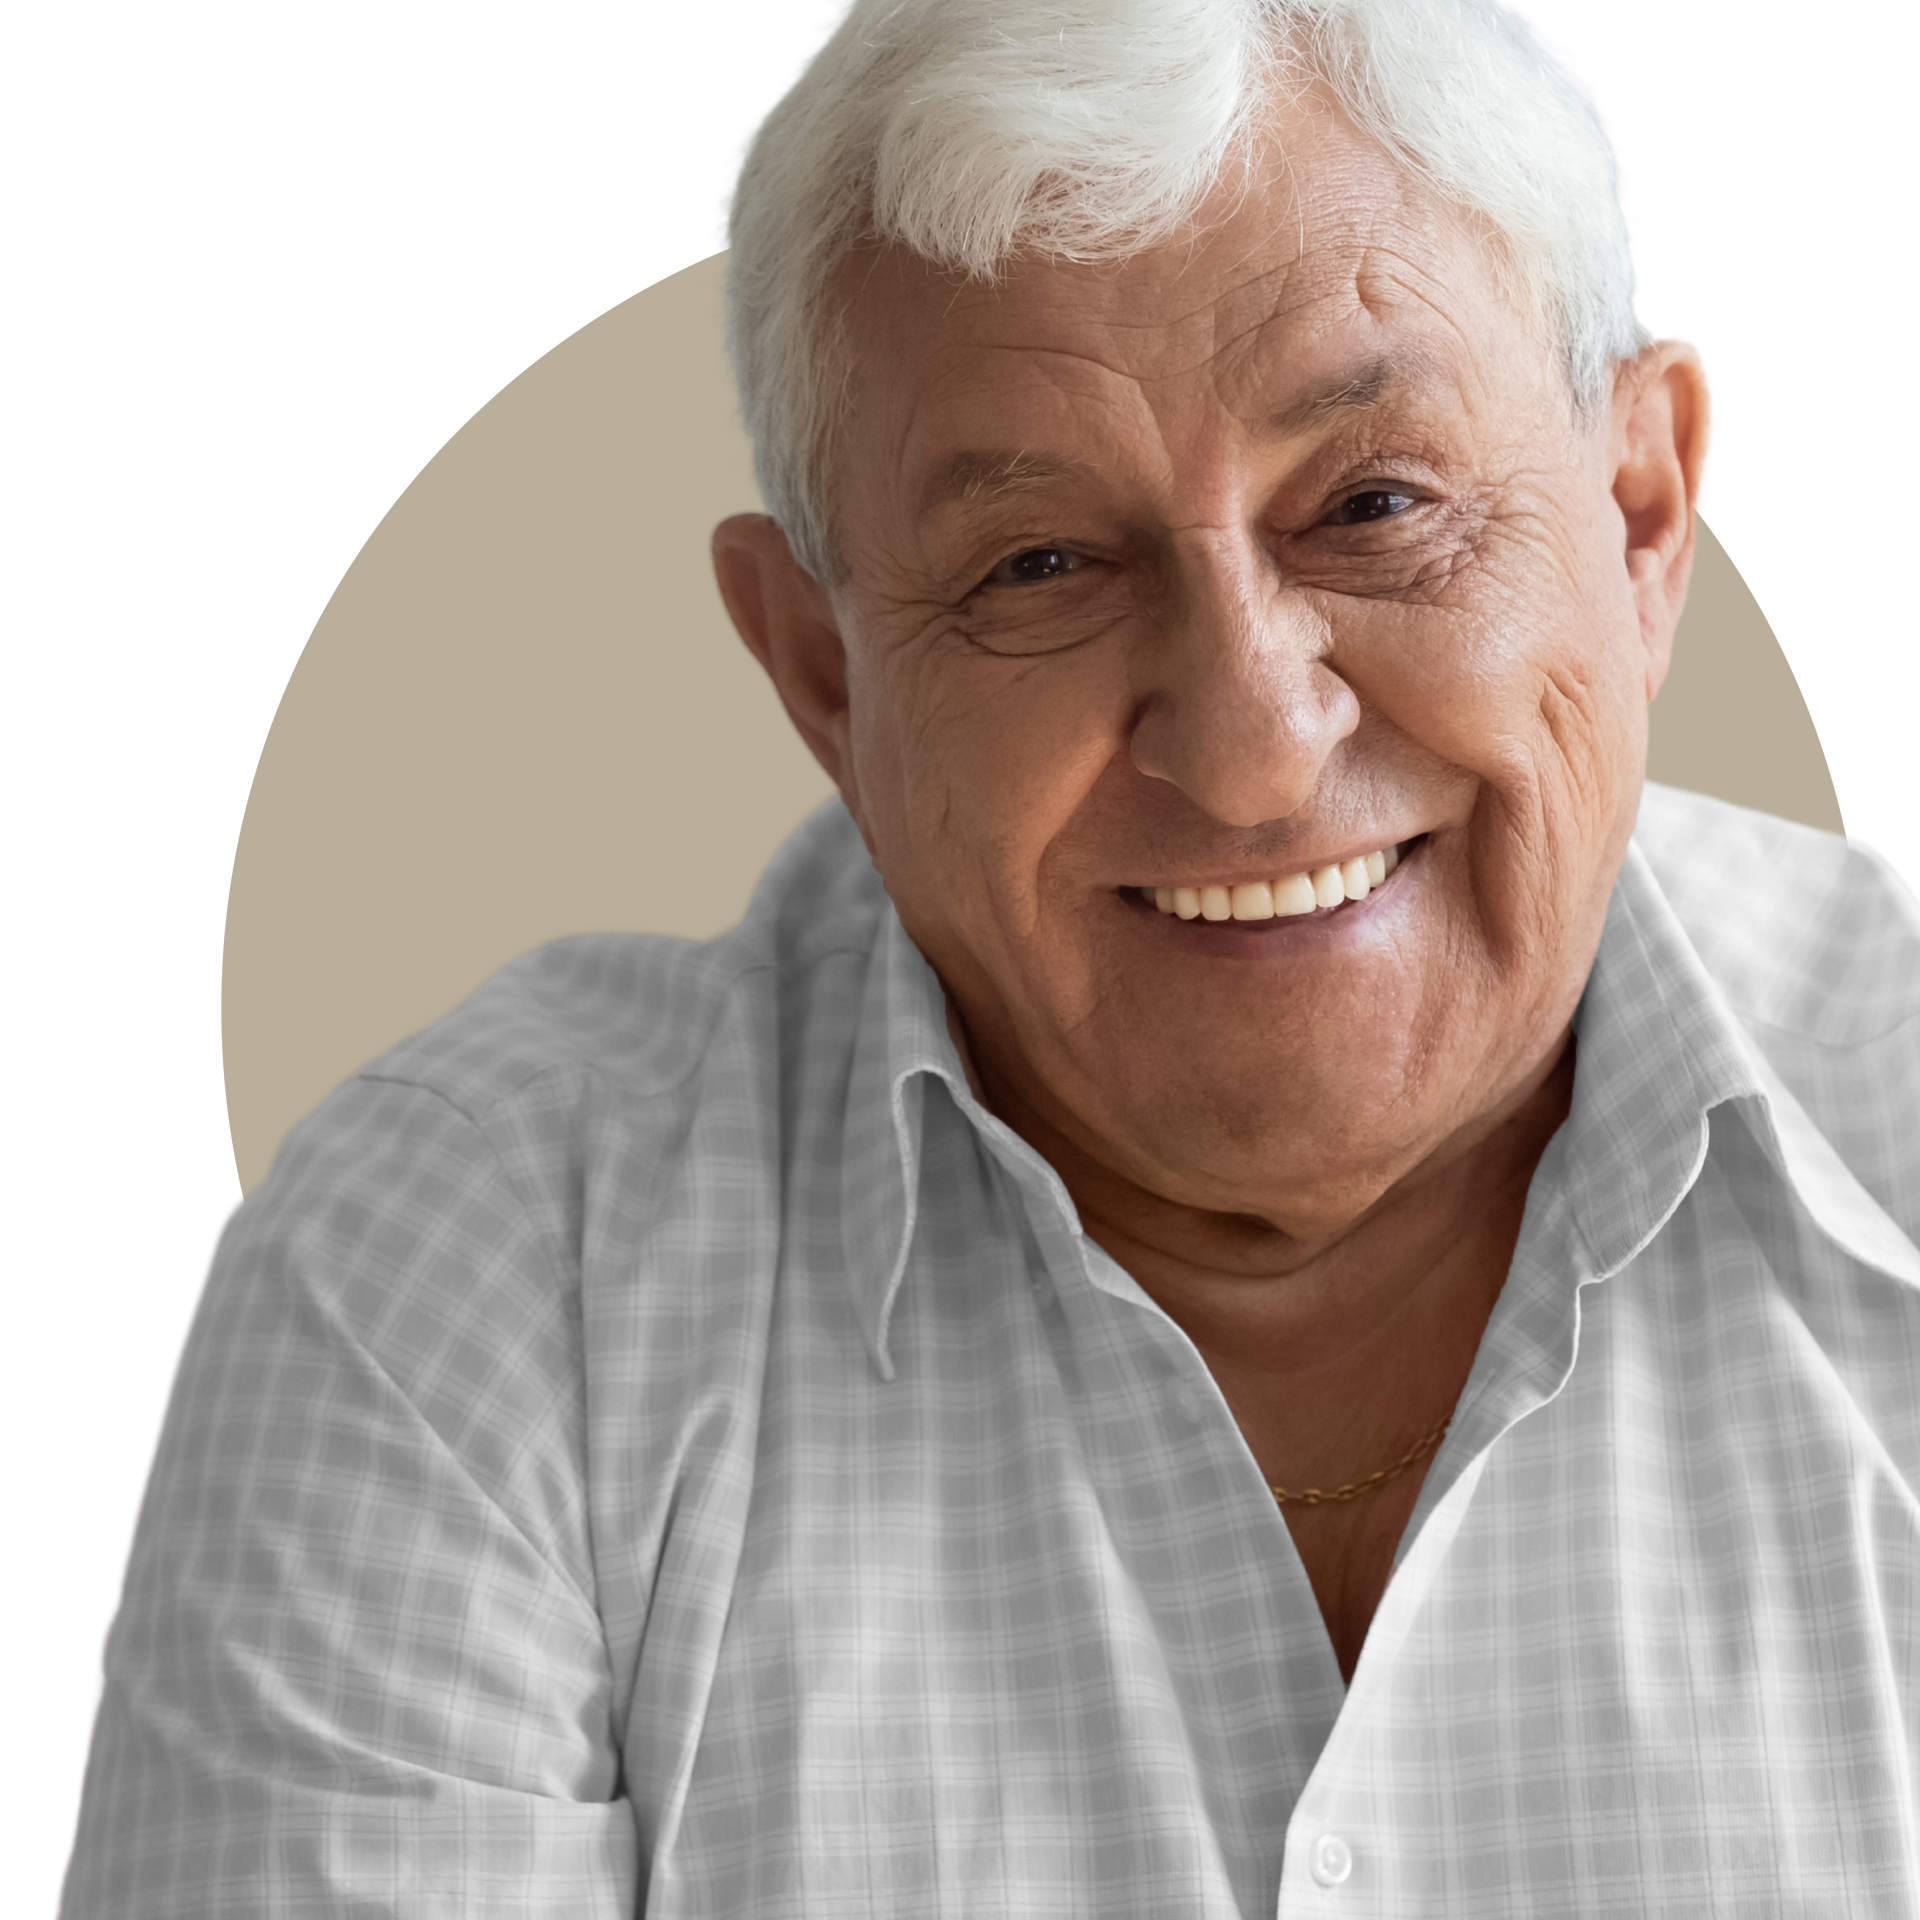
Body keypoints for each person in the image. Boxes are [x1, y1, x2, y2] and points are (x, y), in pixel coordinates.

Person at [56, 0, 1917, 1913]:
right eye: (1040, 564)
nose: (1256, 742)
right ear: (824, 677)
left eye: (1375, 506)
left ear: (1640, 517)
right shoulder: (473, 1270)